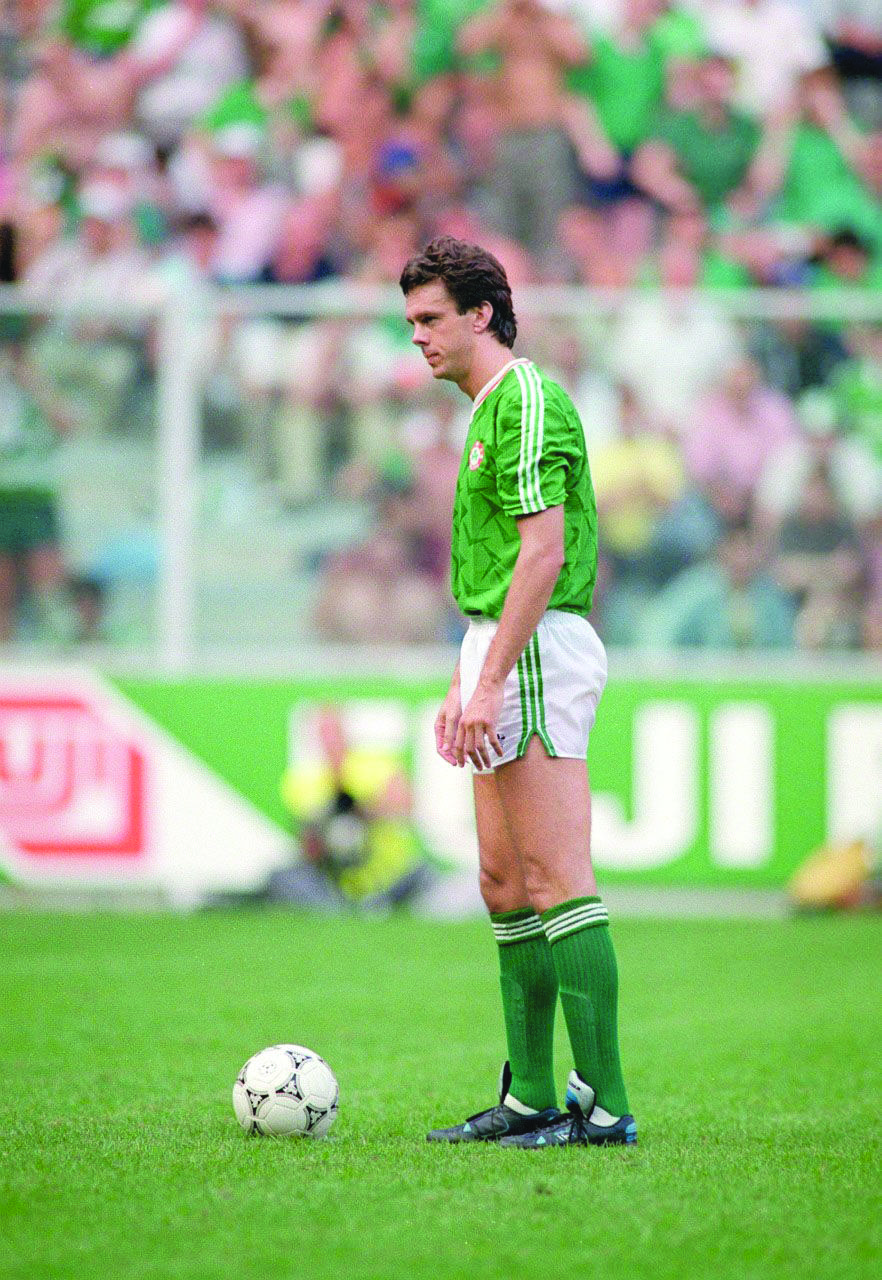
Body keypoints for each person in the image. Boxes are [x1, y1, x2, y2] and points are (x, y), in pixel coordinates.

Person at [400, 235, 636, 1149]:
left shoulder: (526, 398)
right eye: (410, 320)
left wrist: (491, 676)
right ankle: (534, 1095)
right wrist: (465, 672)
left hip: (535, 647)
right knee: (503, 883)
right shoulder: (488, 409)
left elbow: (542, 552)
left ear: (481, 314)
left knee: (553, 878)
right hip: (498, 646)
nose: (416, 336)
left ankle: (606, 1104)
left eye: (430, 318)